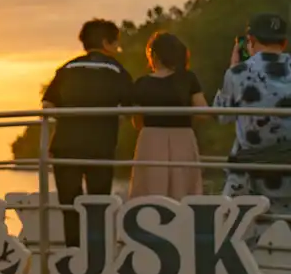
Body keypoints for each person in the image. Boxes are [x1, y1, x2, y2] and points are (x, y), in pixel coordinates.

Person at [42, 19, 134, 246]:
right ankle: (96, 256)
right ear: (106, 43)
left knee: (69, 203)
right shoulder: (116, 70)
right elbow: (131, 105)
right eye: (116, 43)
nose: (117, 49)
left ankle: (73, 254)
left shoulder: (67, 69)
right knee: (98, 202)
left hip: (65, 144)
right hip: (100, 146)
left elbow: (47, 105)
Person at [214, 13, 291, 211]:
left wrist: (232, 67)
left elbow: (221, 116)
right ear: (284, 43)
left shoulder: (238, 73)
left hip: (251, 175)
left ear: (251, 41)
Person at [128, 32, 207, 198]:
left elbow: (136, 122)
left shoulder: (142, 83)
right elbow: (203, 112)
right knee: (183, 188)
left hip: (150, 139)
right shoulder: (187, 79)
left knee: (150, 186)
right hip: (182, 138)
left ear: (154, 55)